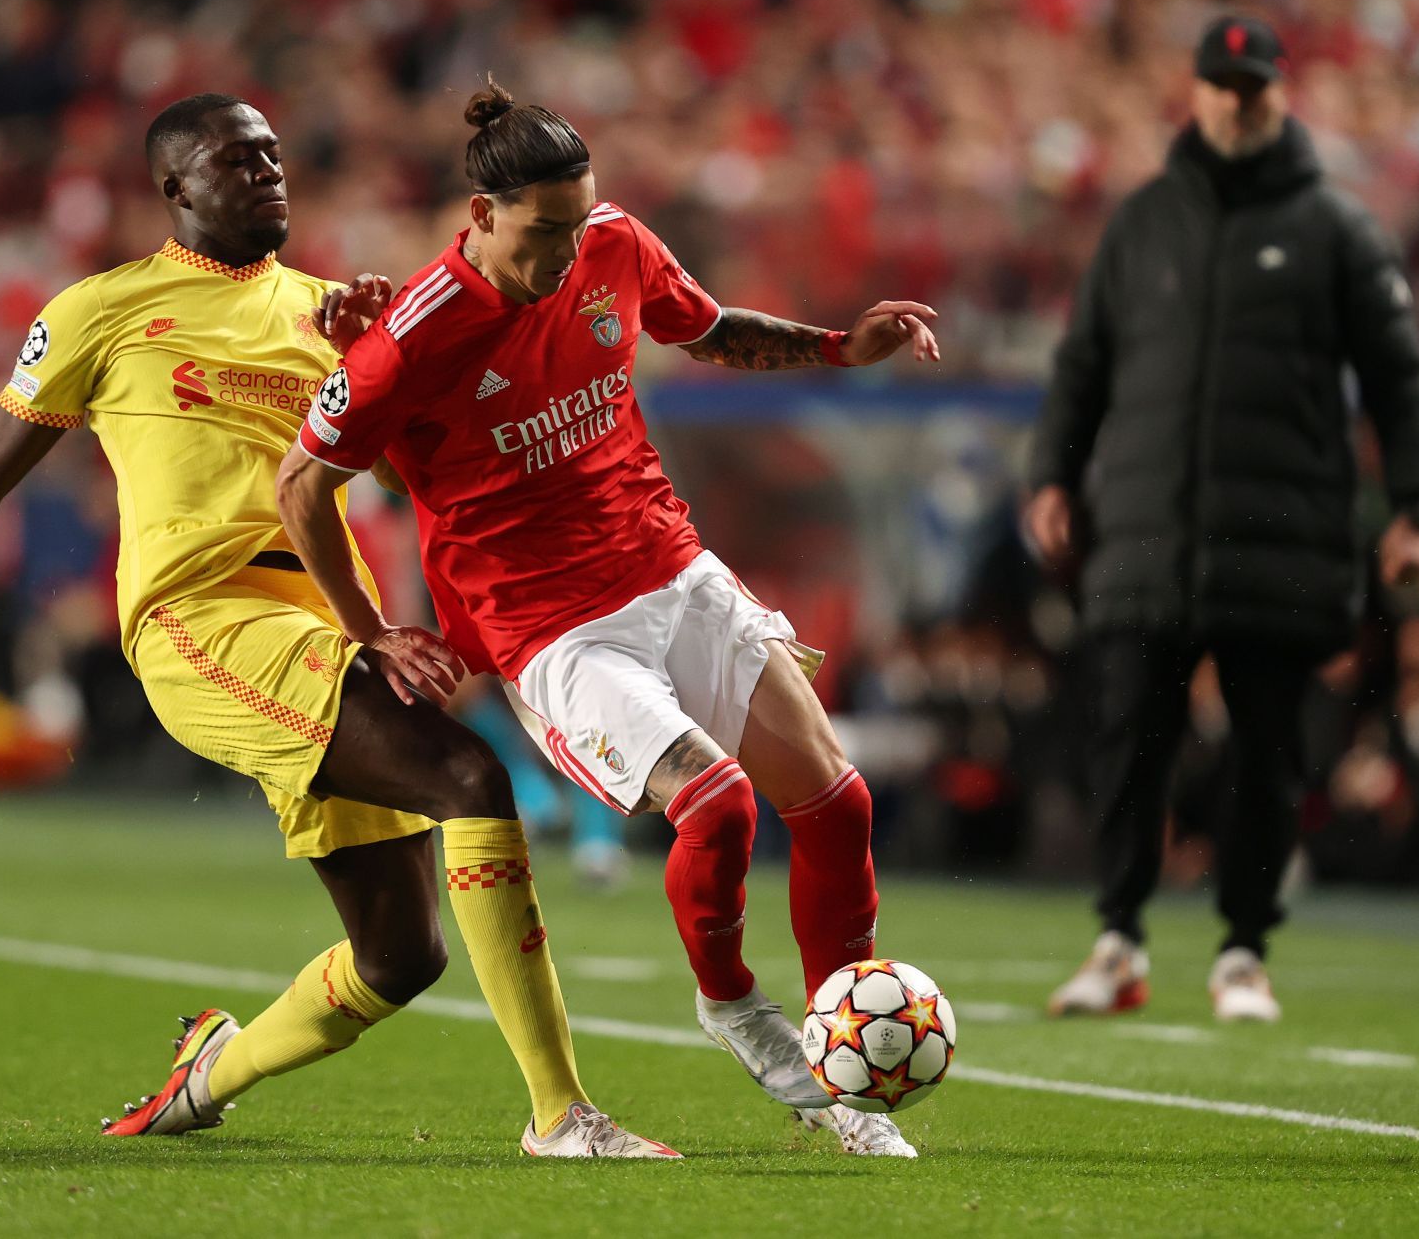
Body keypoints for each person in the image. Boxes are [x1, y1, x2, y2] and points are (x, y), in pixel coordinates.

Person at [0, 93, 674, 1160]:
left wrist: (385, 364)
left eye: (273, 154)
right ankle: (562, 1114)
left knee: (401, 957)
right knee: (469, 779)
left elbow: (410, 471)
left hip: (326, 631)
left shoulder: (335, 310)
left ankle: (210, 1074)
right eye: (236, 159)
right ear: (175, 189)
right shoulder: (98, 311)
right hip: (202, 620)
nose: (267, 171)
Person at [276, 80, 940, 1158]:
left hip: (668, 562)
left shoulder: (615, 244)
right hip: (551, 625)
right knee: (716, 808)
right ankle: (729, 1001)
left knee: (838, 801)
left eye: (578, 222)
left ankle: (843, 1070)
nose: (564, 251)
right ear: (480, 215)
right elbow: (302, 482)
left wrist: (836, 346)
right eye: (543, 232)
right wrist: (370, 630)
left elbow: (711, 328)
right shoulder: (411, 335)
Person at [1025, 17, 1419, 1023]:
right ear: (1198, 91)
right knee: (1129, 736)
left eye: (1252, 86)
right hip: (1145, 528)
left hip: (1278, 535)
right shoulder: (1143, 222)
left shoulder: (1338, 229)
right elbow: (1083, 363)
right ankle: (1118, 938)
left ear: (1281, 94)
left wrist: (1416, 506)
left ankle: (1244, 948)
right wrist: (1052, 474)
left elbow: (1401, 376)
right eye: (1221, 83)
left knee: (1268, 751)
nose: (1236, 100)